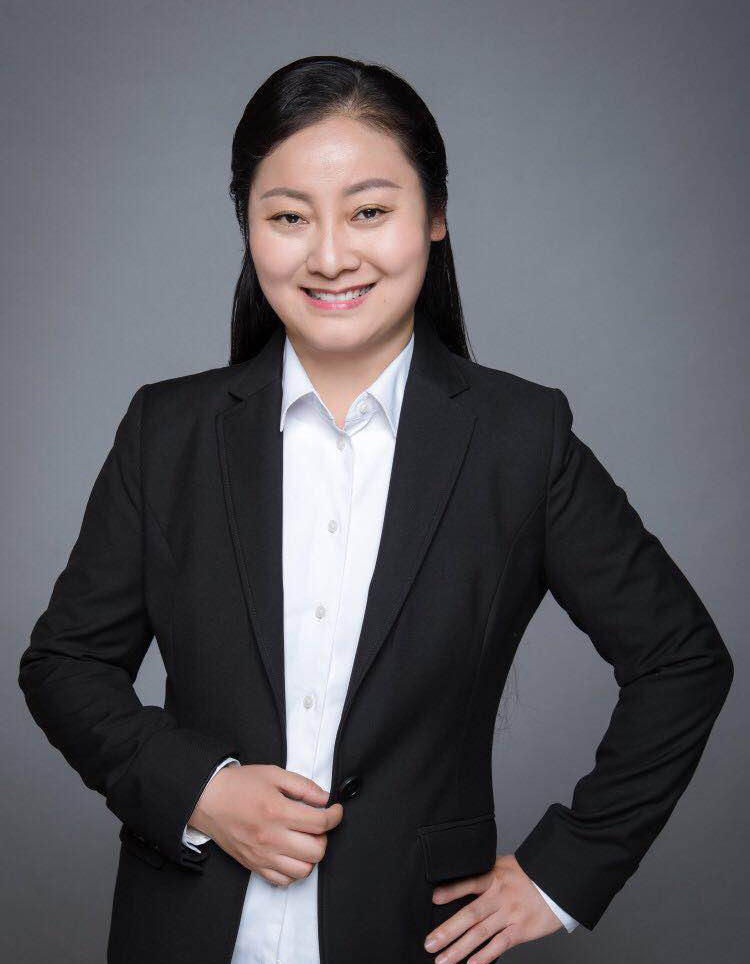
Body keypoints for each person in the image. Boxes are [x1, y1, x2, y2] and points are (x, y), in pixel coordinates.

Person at [18, 55, 733, 964]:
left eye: (368, 211)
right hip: (182, 931)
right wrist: (200, 789)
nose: (329, 256)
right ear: (247, 225)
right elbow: (66, 664)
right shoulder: (169, 431)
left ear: (434, 214)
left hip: (409, 936)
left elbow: (681, 660)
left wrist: (564, 872)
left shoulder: (521, 439)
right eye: (288, 217)